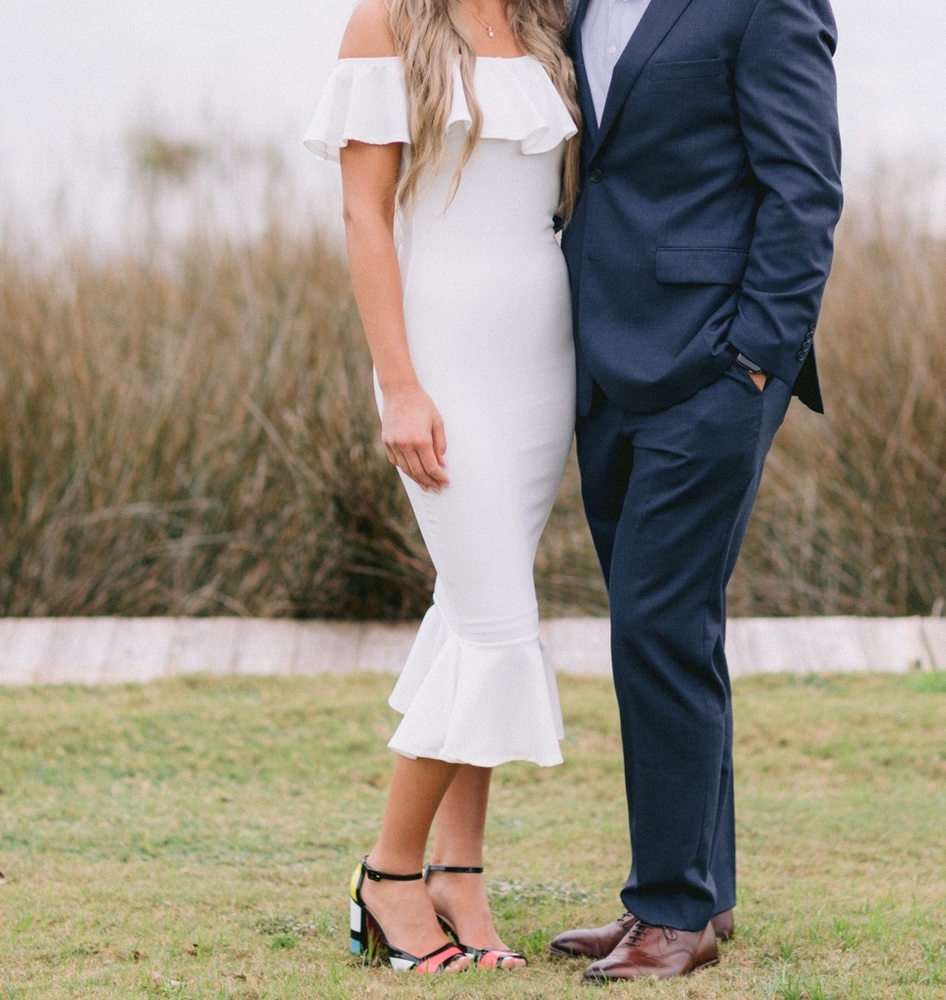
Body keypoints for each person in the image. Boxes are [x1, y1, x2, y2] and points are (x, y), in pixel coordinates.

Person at [547, 0, 842, 982]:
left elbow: (804, 188)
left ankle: (669, 911)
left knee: (654, 621)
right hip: (605, 358)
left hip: (714, 367)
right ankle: (698, 891)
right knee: (671, 625)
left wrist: (757, 358)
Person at [304, 0, 581, 973]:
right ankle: (388, 878)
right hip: (443, 359)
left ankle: (457, 872)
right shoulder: (384, 26)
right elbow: (363, 213)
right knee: (499, 623)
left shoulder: (547, 24)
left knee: (472, 613)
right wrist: (402, 384)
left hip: (542, 358)